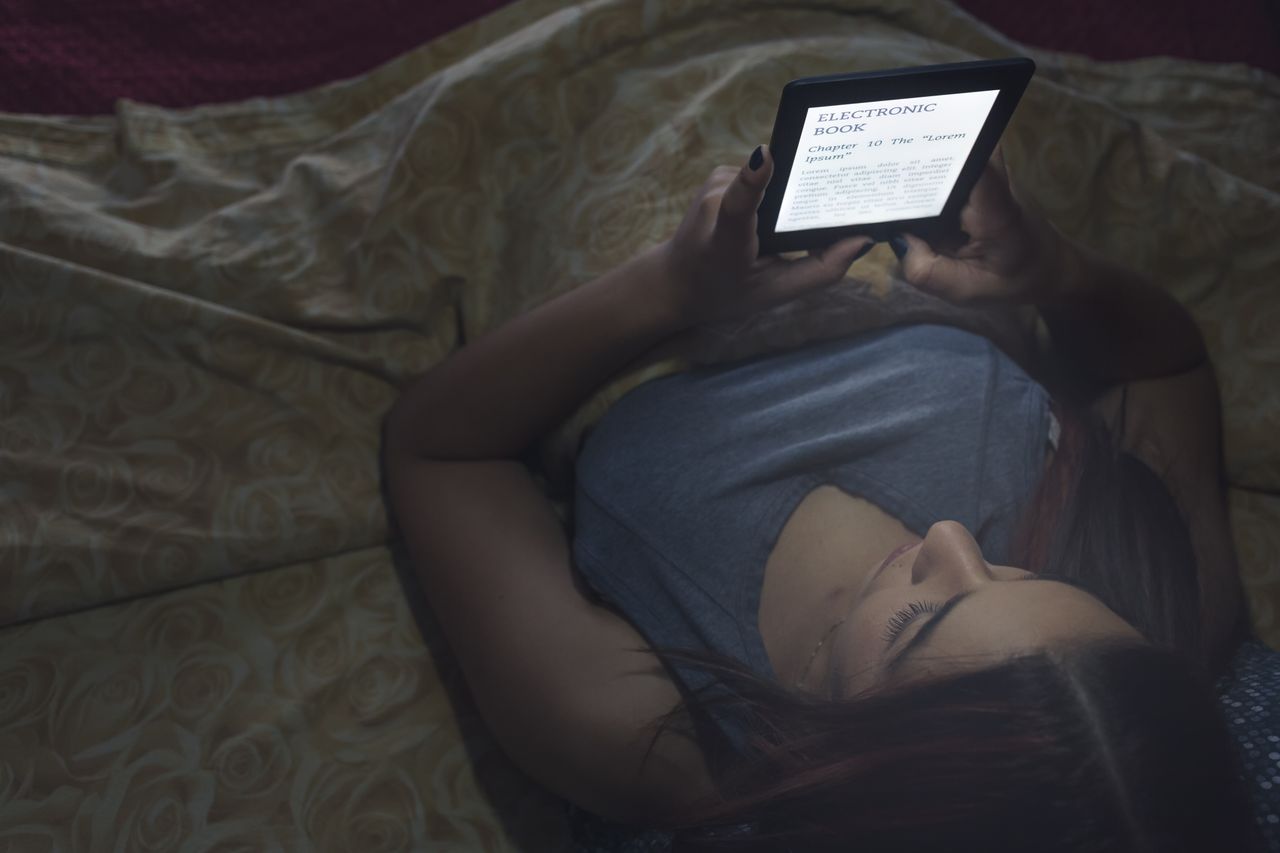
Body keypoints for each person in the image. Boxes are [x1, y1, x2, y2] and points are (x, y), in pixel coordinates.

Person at [381, 142, 1271, 851]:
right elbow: (1164, 366)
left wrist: (668, 289)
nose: (952, 537)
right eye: (1020, 571)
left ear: (859, 777)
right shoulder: (1148, 634)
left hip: (602, 202)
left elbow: (440, 451)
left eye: (911, 624)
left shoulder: (648, 730)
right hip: (909, 179)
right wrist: (1055, 269)